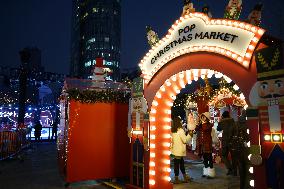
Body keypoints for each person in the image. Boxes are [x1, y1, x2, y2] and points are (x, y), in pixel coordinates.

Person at [171, 116, 192, 184]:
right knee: (179, 165)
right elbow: (185, 140)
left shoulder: (173, 130)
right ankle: (178, 178)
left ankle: (183, 177)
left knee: (179, 164)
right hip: (180, 150)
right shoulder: (180, 130)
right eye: (180, 121)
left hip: (175, 150)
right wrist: (190, 135)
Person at [217, 111, 236, 176]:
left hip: (225, 141)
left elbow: (218, 129)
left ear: (223, 116)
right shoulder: (233, 121)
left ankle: (230, 168)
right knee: (234, 156)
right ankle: (235, 170)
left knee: (223, 155)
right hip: (233, 141)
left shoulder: (222, 122)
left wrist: (220, 120)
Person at [198, 112, 215, 179]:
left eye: (204, 117)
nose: (202, 118)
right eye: (202, 117)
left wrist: (201, 124)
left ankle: (211, 173)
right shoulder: (202, 125)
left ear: (207, 118)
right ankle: (206, 172)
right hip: (203, 144)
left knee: (209, 158)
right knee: (205, 158)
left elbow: (205, 129)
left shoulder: (209, 125)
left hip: (208, 143)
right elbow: (197, 129)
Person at [236, 110, 250, 189]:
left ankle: (242, 186)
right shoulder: (250, 123)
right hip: (249, 148)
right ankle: (247, 186)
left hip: (240, 148)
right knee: (249, 169)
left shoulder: (237, 123)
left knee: (241, 169)